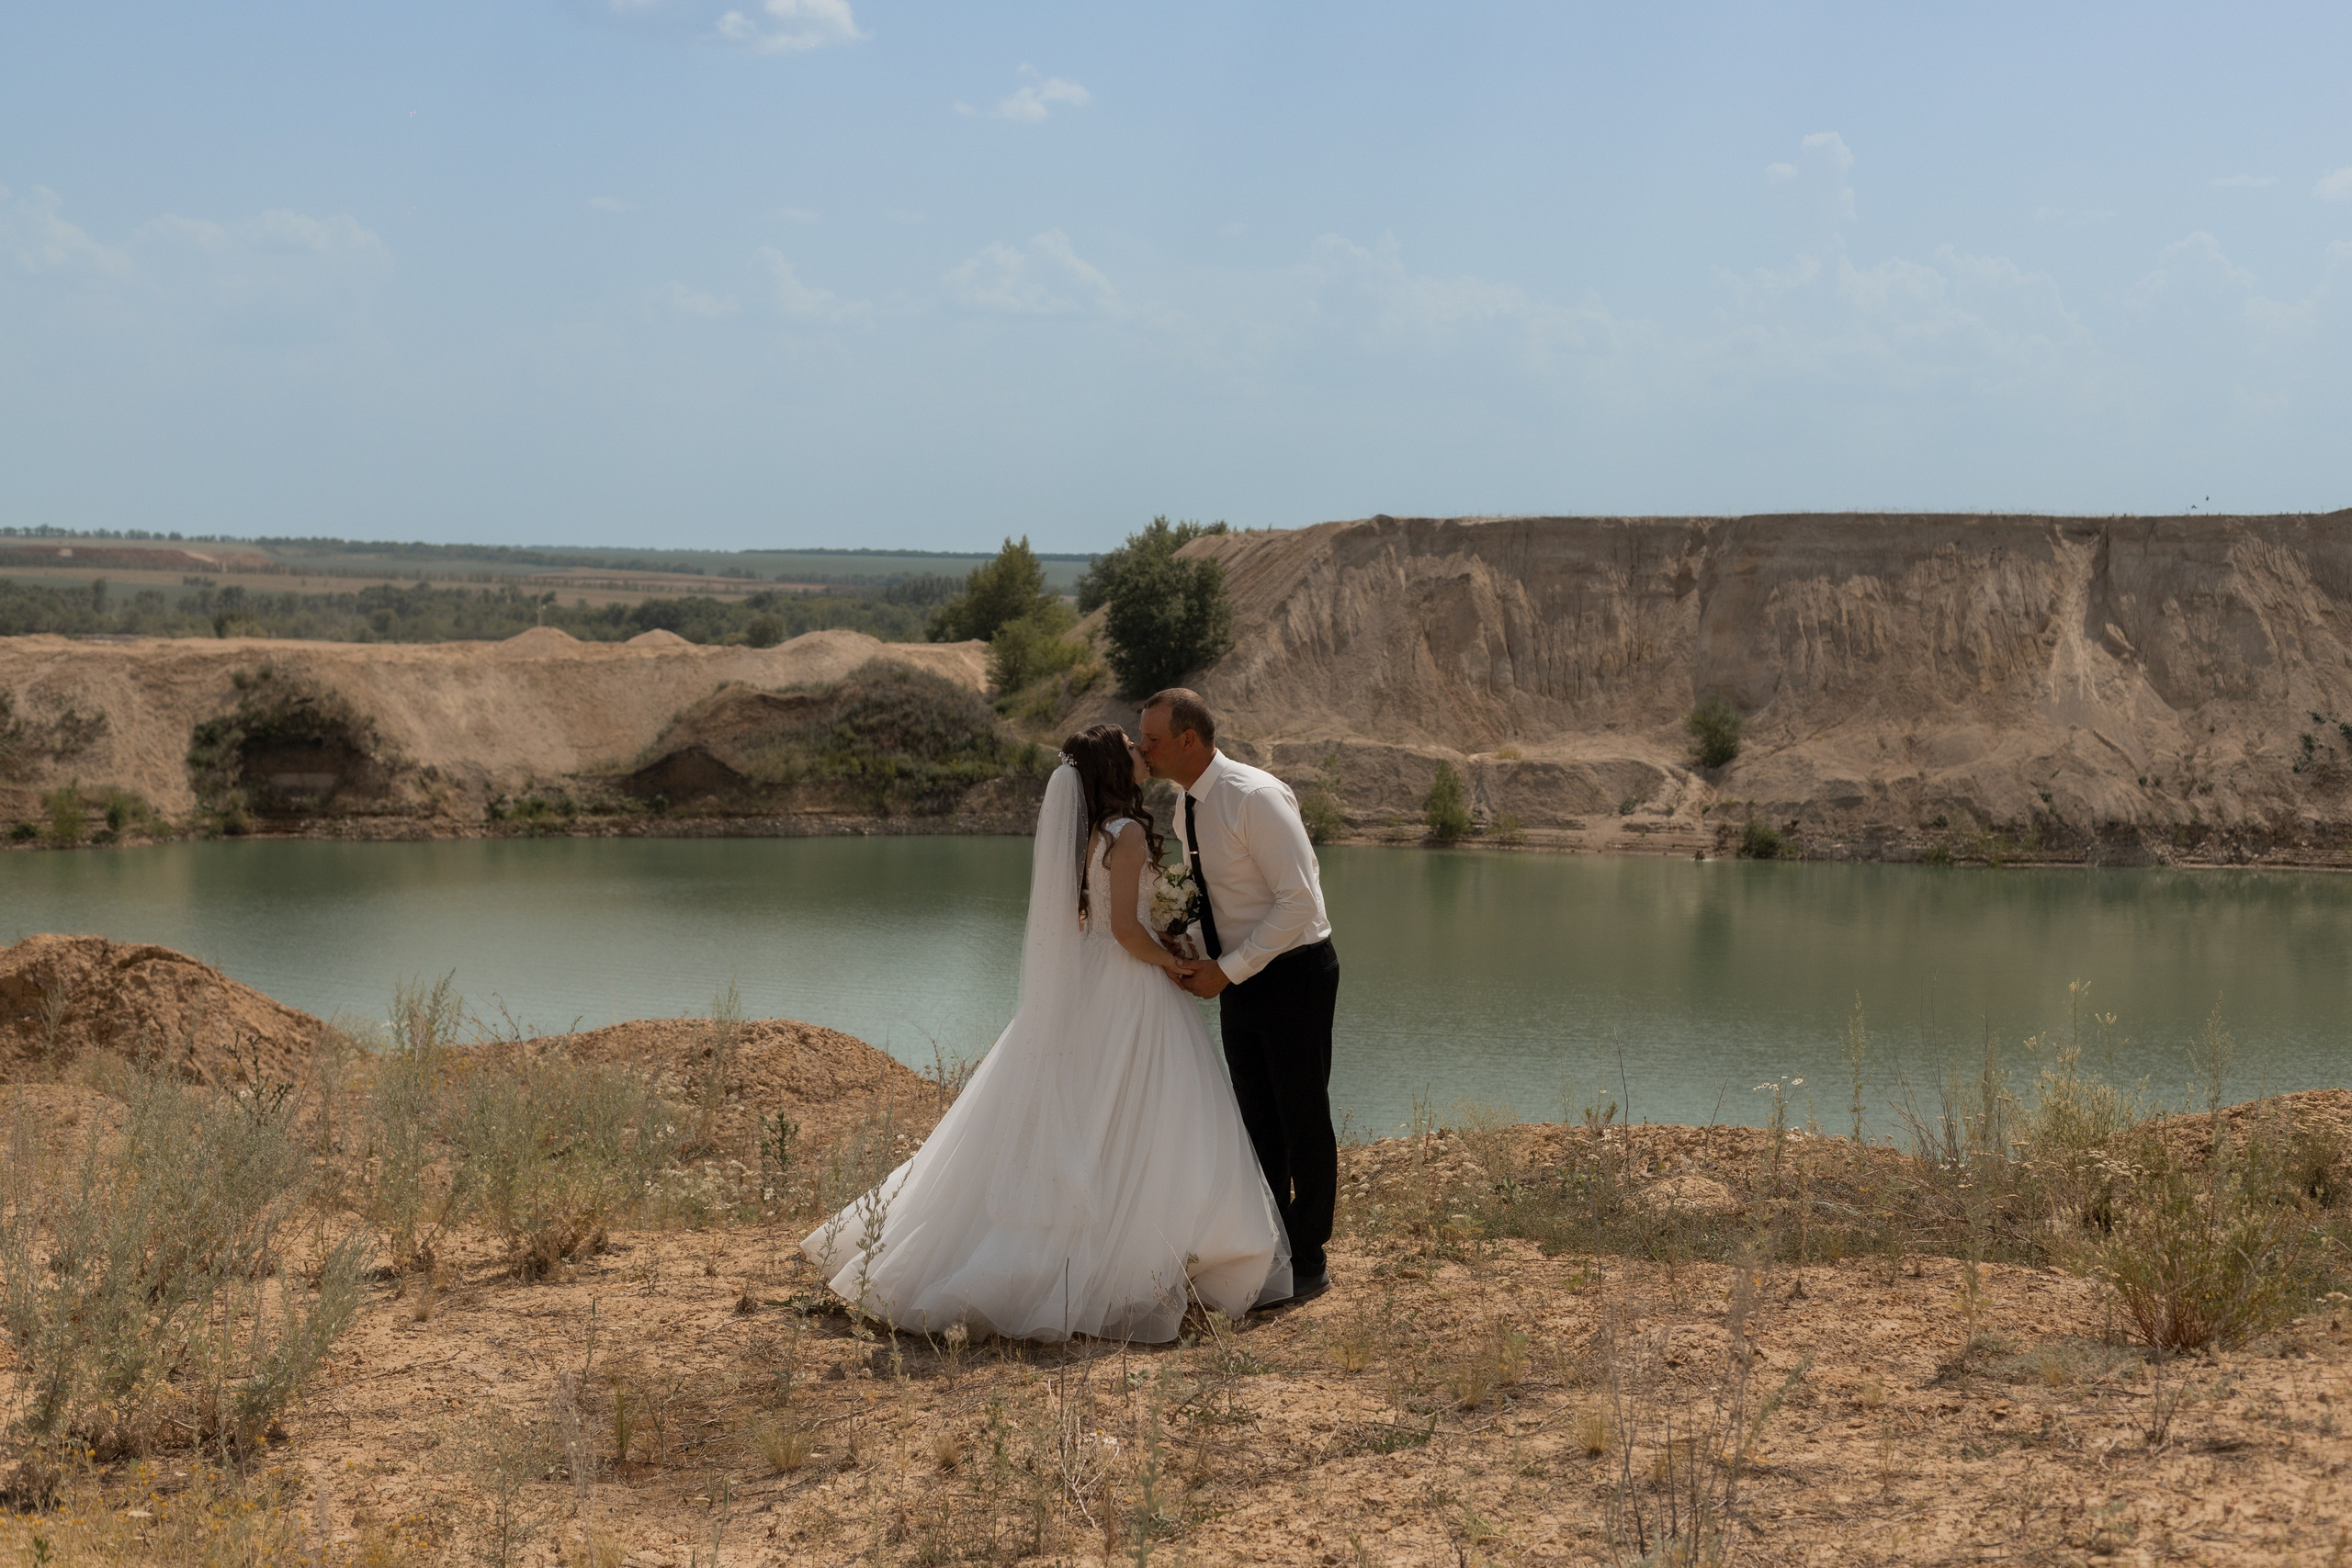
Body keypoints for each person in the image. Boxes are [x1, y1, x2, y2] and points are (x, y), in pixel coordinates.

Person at [801, 723, 1290, 1342]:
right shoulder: (1130, 831)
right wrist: (1175, 961)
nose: (1142, 748)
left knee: (1093, 1109)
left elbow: (1106, 918)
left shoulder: (1092, 832)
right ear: (1117, 767)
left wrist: (1158, 935)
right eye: (1131, 746)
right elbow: (1124, 930)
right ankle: (1147, 1255)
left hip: (1094, 977)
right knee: (1148, 1112)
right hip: (1129, 983)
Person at [1138, 688, 1338, 1308]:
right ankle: (1270, 1253)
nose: (1143, 750)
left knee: (1301, 1115)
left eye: (1152, 739)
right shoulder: (1185, 805)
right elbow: (1228, 900)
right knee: (1256, 1121)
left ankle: (1308, 1260)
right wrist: (1192, 944)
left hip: (1296, 972)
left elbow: (1299, 904)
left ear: (1188, 740)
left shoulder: (1254, 797)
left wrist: (1229, 970)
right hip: (1242, 974)